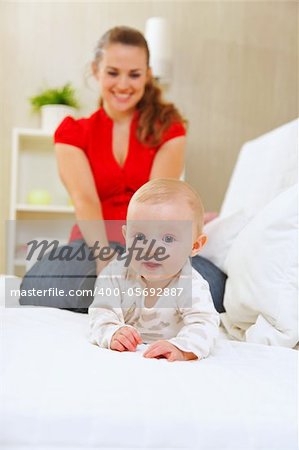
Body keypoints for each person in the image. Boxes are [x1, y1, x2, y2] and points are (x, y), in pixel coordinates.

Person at [20, 26, 226, 313]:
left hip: (153, 247)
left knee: (215, 288)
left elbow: (160, 201)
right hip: (93, 247)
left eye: (135, 74)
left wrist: (146, 267)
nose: (123, 84)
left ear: (148, 75)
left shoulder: (169, 129)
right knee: (37, 286)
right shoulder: (71, 133)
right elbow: (85, 200)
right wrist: (107, 265)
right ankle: (138, 303)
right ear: (96, 70)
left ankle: (132, 300)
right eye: (113, 72)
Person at [89, 178, 220, 362]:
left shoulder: (191, 285)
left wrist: (181, 348)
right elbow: (101, 311)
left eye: (167, 238)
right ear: (126, 236)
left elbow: (204, 324)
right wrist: (113, 331)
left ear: (195, 245)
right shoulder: (116, 274)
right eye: (140, 237)